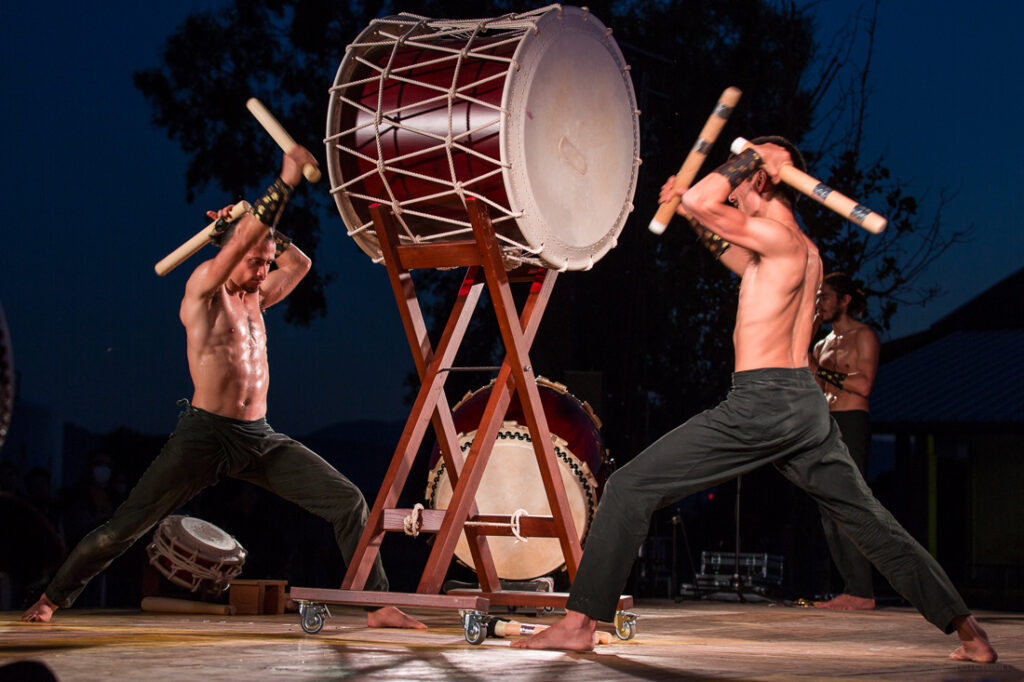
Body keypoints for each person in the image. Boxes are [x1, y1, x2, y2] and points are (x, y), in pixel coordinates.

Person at [512, 137, 996, 663]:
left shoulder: (779, 238)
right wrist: (691, 208)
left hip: (763, 403)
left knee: (630, 485)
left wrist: (747, 160)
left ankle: (579, 623)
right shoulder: (797, 249)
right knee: (869, 520)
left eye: (742, 181)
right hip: (802, 409)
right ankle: (969, 632)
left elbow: (704, 200)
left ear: (761, 180)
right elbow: (727, 245)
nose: (735, 191)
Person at [22, 146, 423, 630]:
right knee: (122, 530)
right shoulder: (203, 291)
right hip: (205, 436)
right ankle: (50, 598)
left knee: (348, 501)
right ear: (228, 253)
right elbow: (238, 247)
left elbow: (300, 265)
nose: (262, 272)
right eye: (255, 262)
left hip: (259, 437)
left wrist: (254, 219)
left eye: (265, 261)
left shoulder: (258, 295)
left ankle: (376, 605)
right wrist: (283, 182)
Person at [809, 272, 880, 610]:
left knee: (850, 504)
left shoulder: (864, 336)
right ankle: (851, 589)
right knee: (828, 508)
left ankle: (863, 590)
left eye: (825, 296)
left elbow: (863, 384)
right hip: (825, 423)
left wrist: (821, 372)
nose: (820, 302)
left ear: (844, 300)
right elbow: (817, 387)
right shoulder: (821, 345)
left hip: (852, 421)